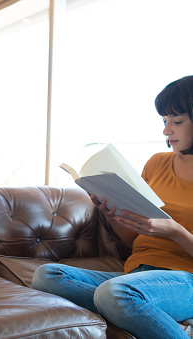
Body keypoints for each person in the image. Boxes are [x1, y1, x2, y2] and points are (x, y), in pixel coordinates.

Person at [32, 75, 193, 339]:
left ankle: (125, 303)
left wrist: (174, 230)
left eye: (177, 121)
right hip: (137, 273)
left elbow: (172, 233)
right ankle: (128, 305)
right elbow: (133, 238)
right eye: (164, 121)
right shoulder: (157, 164)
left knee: (114, 293)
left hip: (187, 280)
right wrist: (113, 213)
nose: (166, 131)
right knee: (46, 275)